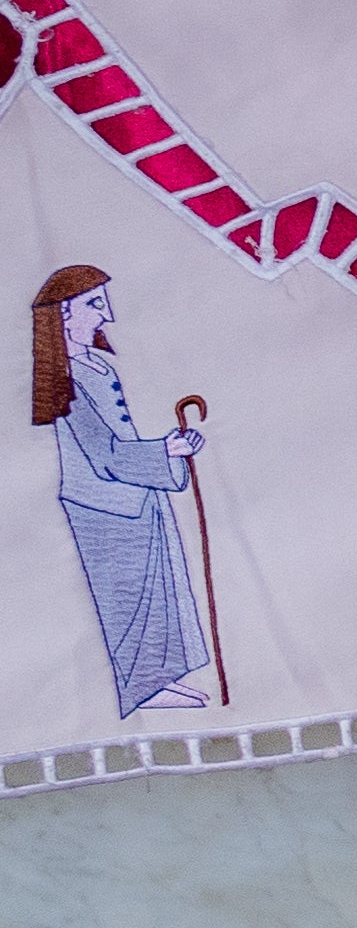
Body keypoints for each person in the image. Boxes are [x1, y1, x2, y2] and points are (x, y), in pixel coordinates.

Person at [31, 264, 210, 715]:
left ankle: (158, 680)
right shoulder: (64, 375)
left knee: (159, 590)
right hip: (101, 504)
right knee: (126, 599)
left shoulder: (95, 363)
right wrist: (162, 452)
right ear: (64, 315)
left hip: (132, 495)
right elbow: (103, 453)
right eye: (94, 304)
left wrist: (168, 452)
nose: (106, 315)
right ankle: (140, 689)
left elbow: (118, 446)